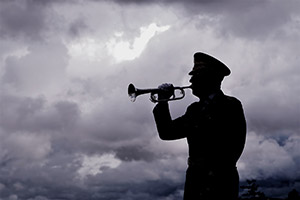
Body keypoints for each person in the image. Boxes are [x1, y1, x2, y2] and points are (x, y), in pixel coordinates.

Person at [153, 52, 247, 200]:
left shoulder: (231, 105)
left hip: (221, 182)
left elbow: (236, 145)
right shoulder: (194, 109)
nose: (191, 80)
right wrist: (162, 103)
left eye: (196, 75)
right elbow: (167, 133)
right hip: (195, 180)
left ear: (210, 78)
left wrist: (213, 171)